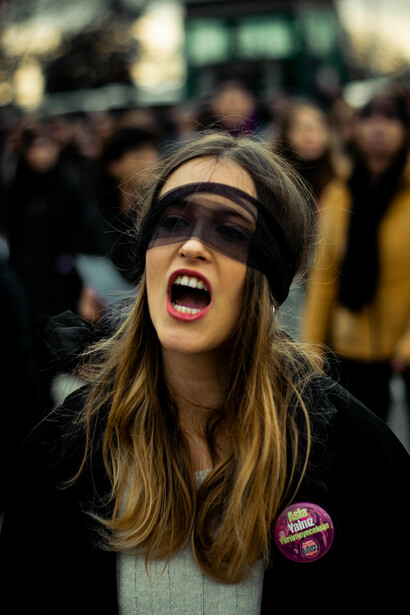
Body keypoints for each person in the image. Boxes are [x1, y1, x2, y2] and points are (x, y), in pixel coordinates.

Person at [0, 132, 408, 613]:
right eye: (172, 222)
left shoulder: (357, 457)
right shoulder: (60, 456)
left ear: (268, 277)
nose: (192, 244)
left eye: (231, 231)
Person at [302, 90, 410, 424]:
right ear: (355, 129)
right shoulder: (340, 191)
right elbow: (324, 274)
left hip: (403, 349)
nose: (379, 128)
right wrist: (312, 350)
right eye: (370, 118)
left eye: (390, 118)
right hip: (349, 349)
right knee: (364, 460)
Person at [273, 99, 343, 205]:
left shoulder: (339, 177)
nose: (311, 137)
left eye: (318, 129)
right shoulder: (274, 179)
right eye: (302, 129)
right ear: (285, 135)